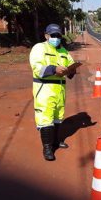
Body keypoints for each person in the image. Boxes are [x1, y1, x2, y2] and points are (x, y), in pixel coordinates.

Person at [29, 23, 77, 161]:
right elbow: (37, 68)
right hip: (44, 89)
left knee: (58, 118)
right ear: (46, 36)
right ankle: (47, 148)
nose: (56, 38)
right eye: (53, 35)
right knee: (45, 120)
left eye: (58, 36)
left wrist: (72, 70)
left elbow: (70, 66)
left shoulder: (63, 51)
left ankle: (56, 141)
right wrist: (54, 69)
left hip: (60, 90)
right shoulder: (39, 48)